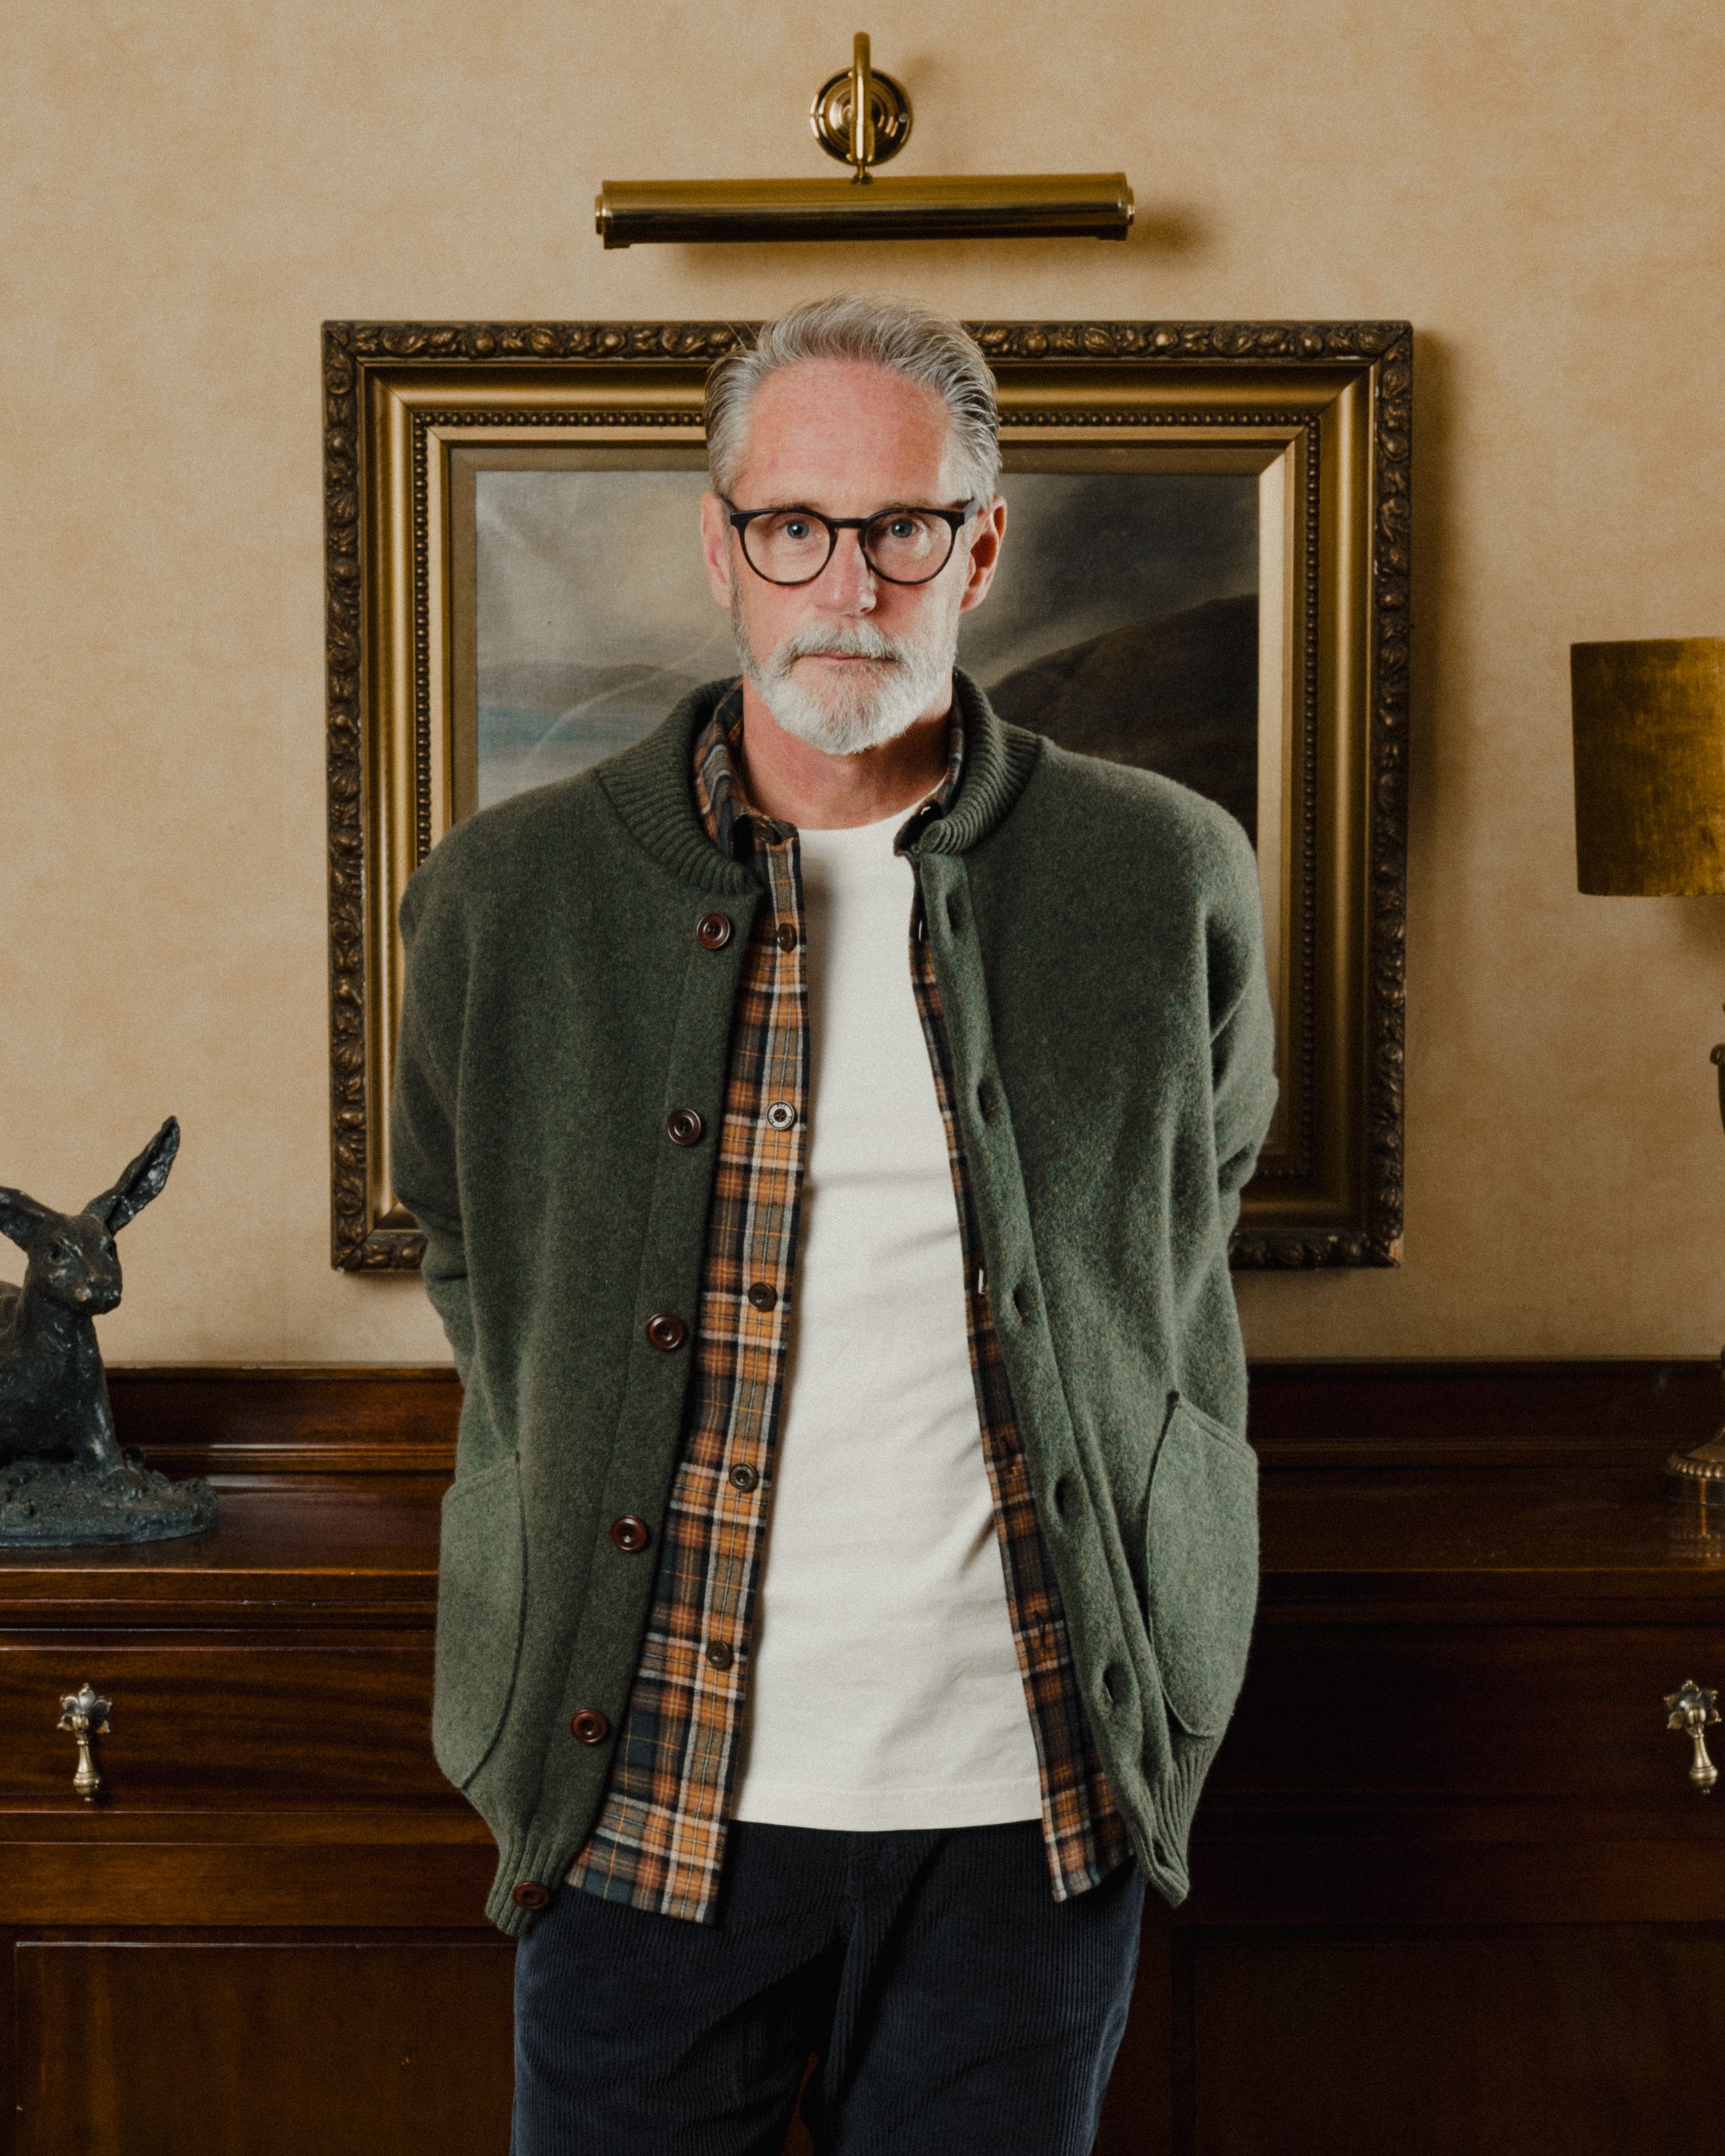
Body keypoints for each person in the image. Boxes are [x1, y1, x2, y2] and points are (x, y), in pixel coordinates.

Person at [392, 294, 1277, 2156]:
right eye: (793, 526)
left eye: (901, 528)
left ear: (982, 543)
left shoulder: (1162, 873)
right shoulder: (505, 900)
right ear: (721, 547)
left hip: (1031, 1780)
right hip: (632, 1783)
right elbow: (472, 1246)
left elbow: (1185, 1220)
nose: (846, 583)